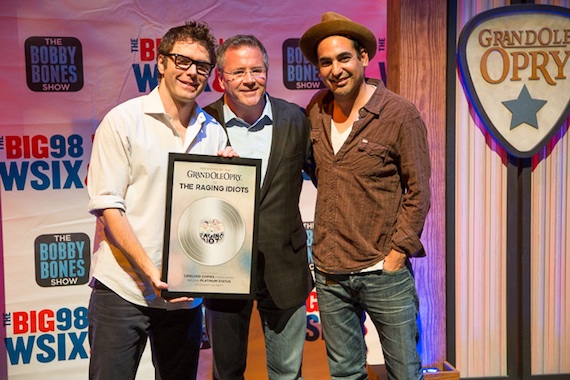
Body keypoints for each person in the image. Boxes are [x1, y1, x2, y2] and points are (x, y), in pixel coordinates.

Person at [87, 21, 235, 380]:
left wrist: (230, 184)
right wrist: (149, 270)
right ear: (161, 62)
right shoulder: (123, 121)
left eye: (202, 66)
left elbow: (214, 216)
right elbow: (109, 207)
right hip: (124, 289)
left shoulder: (213, 131)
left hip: (186, 295)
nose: (192, 72)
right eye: (183, 61)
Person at [299, 12, 431, 380]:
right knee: (345, 374)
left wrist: (396, 254)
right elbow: (318, 171)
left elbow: (418, 191)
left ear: (363, 58)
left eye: (344, 58)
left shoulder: (399, 114)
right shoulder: (316, 110)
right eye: (325, 62)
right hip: (329, 273)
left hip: (382, 270)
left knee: (405, 371)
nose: (335, 69)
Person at [203, 34, 314, 380]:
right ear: (221, 78)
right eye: (238, 72)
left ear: (267, 71)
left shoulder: (295, 118)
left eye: (257, 70)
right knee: (227, 373)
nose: (249, 79)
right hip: (221, 268)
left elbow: (328, 177)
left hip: (285, 265)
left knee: (286, 373)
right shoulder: (201, 124)